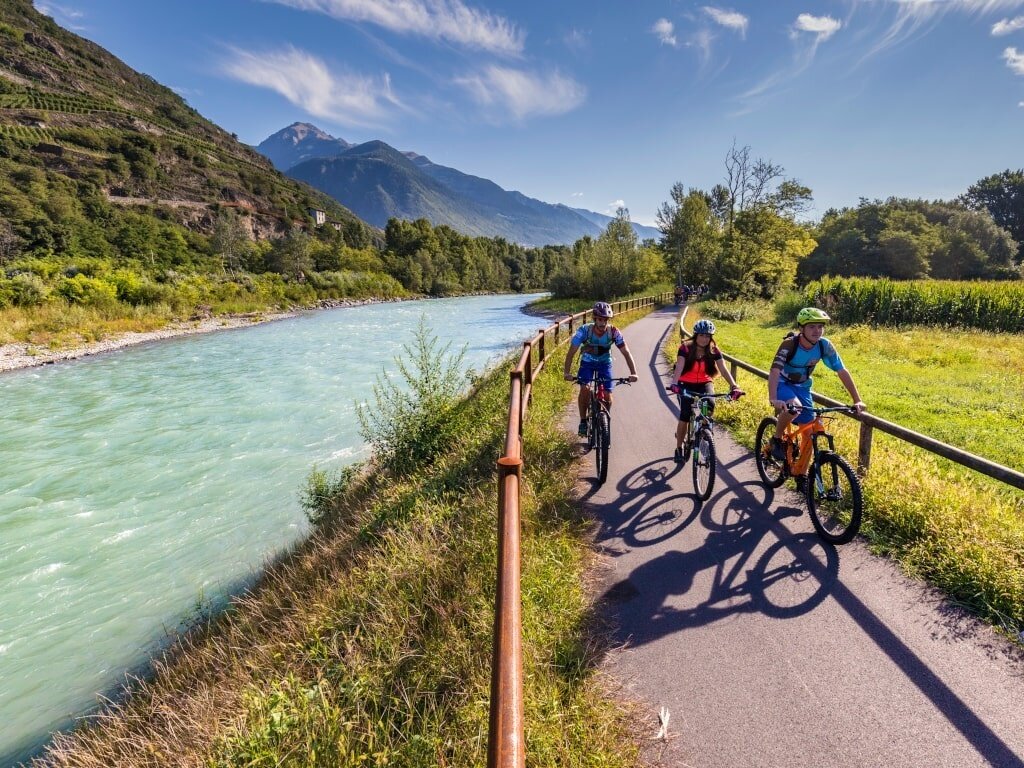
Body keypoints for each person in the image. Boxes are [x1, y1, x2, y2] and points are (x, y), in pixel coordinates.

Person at [767, 307, 867, 461]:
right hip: (782, 383)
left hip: (803, 386)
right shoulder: (789, 344)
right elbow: (774, 371)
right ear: (801, 328)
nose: (817, 331)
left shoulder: (824, 345)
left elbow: (841, 371)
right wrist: (773, 398)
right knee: (795, 407)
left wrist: (857, 400)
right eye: (812, 326)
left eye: (820, 326)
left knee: (809, 435)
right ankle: (777, 439)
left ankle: (801, 475)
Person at [667, 318, 744, 463]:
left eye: (708, 336)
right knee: (685, 414)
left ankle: (704, 432)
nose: (704, 339)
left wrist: (734, 386)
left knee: (710, 404)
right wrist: (674, 383)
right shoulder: (685, 348)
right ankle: (678, 448)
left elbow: (723, 369)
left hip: (704, 382)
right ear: (696, 335)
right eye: (701, 335)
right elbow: (679, 366)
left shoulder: (714, 350)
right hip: (685, 383)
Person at [563, 301, 639, 436]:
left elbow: (626, 352)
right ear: (594, 319)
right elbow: (571, 352)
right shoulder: (584, 331)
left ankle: (605, 419)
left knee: (608, 396)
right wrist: (567, 372)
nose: (602, 323)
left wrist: (634, 373)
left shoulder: (614, 332)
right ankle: (583, 421)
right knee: (585, 389)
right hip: (587, 363)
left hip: (605, 363)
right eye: (599, 319)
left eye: (605, 320)